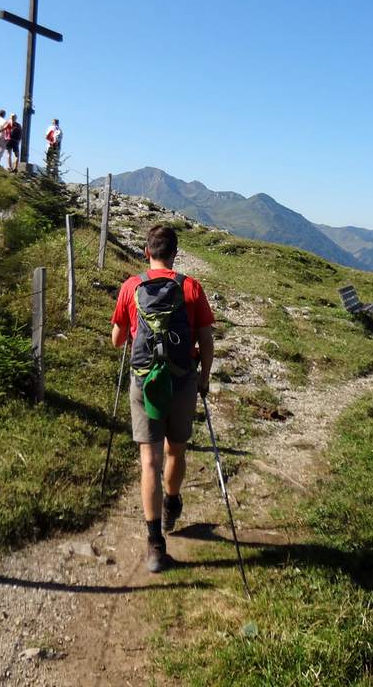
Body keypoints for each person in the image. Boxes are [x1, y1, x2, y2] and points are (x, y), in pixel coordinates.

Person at [111, 225, 214, 573]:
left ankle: (155, 545)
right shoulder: (190, 286)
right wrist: (203, 377)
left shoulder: (130, 286)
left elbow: (116, 339)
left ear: (146, 252)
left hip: (145, 384)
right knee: (176, 450)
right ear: (175, 253)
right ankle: (172, 502)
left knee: (149, 460)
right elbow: (206, 340)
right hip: (182, 380)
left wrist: (133, 334)